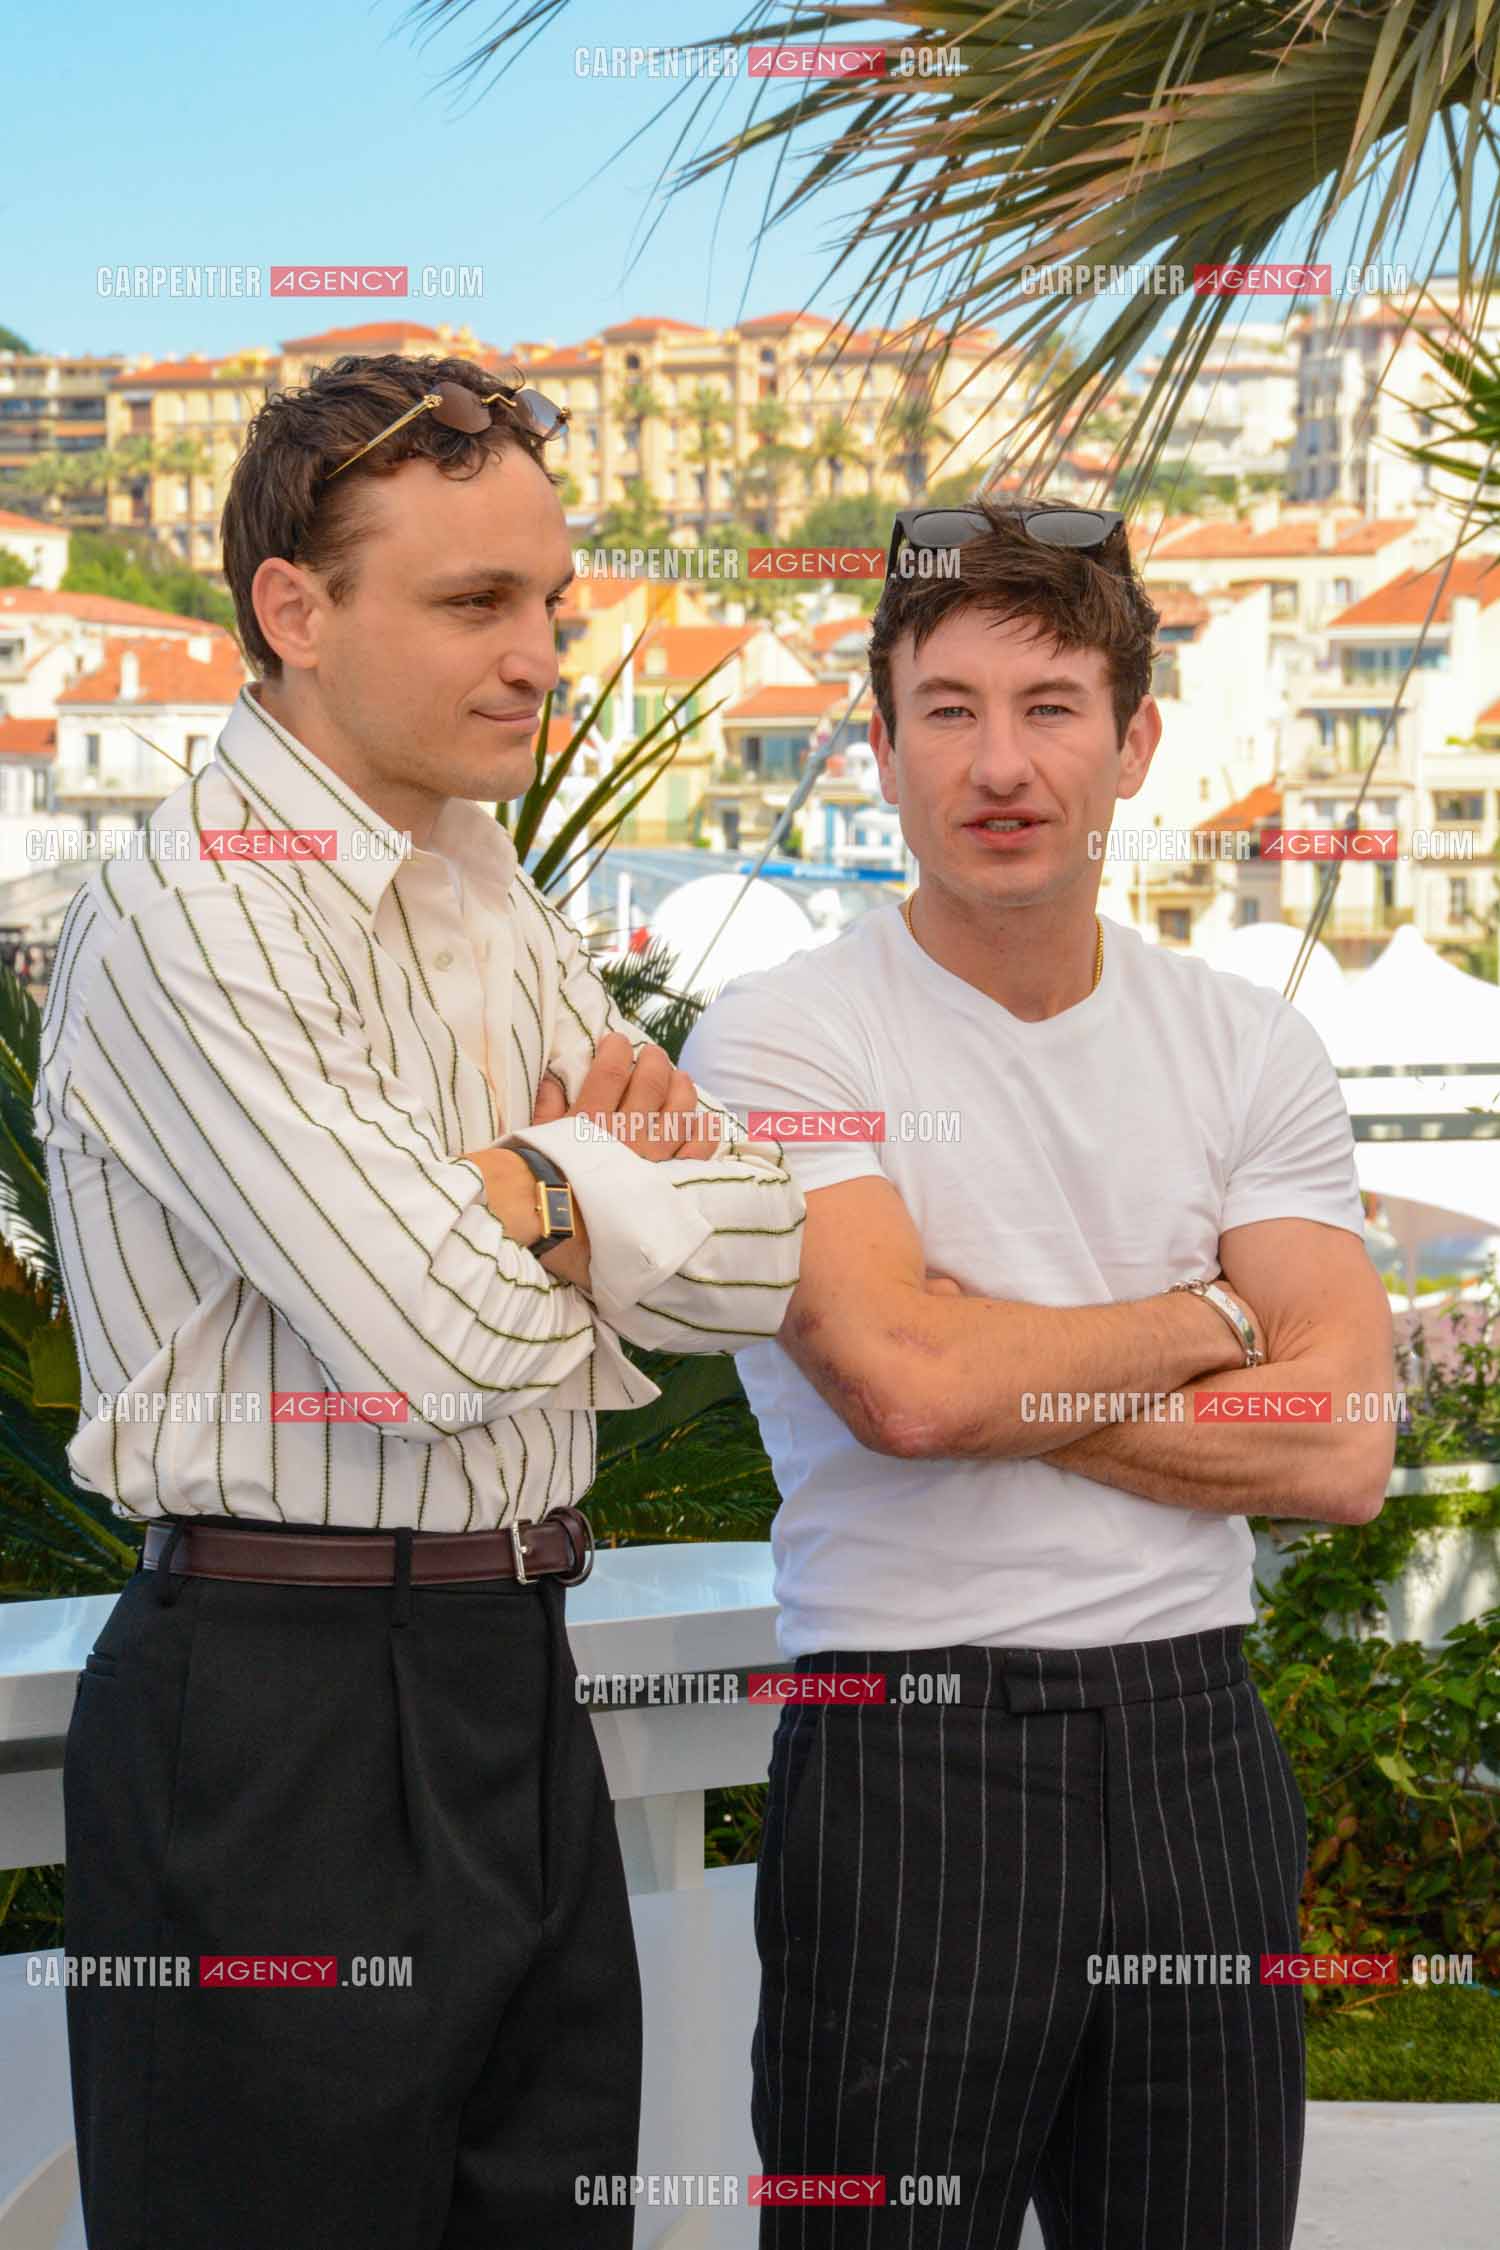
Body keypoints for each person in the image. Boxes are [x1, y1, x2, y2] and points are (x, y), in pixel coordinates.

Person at [36, 350, 806, 2250]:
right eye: (477, 602)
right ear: (293, 612)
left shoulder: (483, 881)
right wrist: (604, 1176)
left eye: (549, 598)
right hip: (273, 1718)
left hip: (512, 1679)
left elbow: (760, 1256)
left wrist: (522, 1198)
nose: (542, 649)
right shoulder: (196, 903)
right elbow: (441, 1337)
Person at [680, 498, 1396, 2249]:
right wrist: (1212, 1317)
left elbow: (1348, 1445)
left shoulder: (1247, 1039)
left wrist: (994, 1355)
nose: (1001, 762)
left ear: (1134, 741)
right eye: (949, 708)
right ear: (883, 741)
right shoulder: (788, 1033)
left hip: (1197, 1743)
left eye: (1053, 705)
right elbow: (910, 1389)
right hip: (906, 1749)